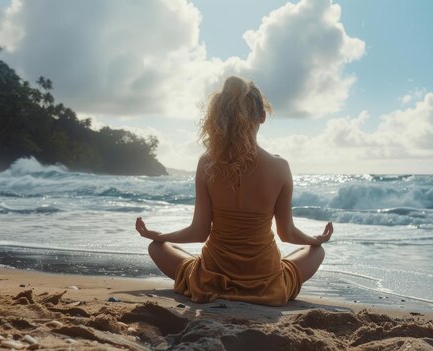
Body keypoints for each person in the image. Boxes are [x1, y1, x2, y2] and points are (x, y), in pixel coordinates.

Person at [135, 76, 333, 306]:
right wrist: (315, 240)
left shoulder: (207, 162)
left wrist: (160, 236)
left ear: (221, 117)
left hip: (210, 280)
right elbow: (287, 233)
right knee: (317, 252)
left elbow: (199, 232)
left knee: (156, 248)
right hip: (265, 283)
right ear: (262, 116)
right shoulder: (280, 167)